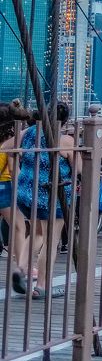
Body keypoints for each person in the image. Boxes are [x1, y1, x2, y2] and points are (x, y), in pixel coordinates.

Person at [14, 102, 78, 299]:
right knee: (52, 241)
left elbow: (9, 148)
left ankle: (20, 270)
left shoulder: (29, 133)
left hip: (26, 192)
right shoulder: (64, 140)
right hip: (50, 197)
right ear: (65, 120)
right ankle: (41, 286)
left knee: (36, 232)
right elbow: (81, 170)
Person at [0, 102, 32, 294]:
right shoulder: (10, 142)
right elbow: (13, 171)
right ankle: (21, 267)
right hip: (4, 187)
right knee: (18, 227)